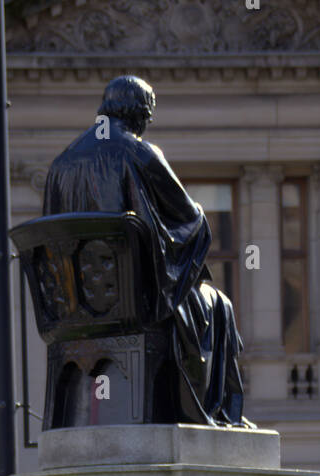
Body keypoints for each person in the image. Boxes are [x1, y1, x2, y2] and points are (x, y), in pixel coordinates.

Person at [43, 74, 249, 428]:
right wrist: (200, 214)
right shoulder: (138, 152)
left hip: (73, 310)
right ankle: (213, 411)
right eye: (148, 114)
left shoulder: (60, 164)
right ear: (137, 112)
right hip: (136, 303)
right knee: (218, 306)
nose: (148, 124)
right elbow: (188, 219)